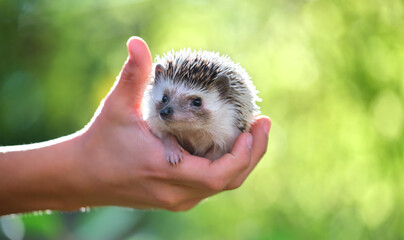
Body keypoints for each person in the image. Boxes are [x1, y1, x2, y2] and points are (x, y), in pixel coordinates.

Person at [0, 37, 271, 216]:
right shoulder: (158, 117)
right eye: (164, 98)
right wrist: (84, 169)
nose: (167, 110)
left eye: (195, 103)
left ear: (223, 99)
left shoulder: (228, 123)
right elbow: (161, 130)